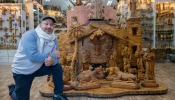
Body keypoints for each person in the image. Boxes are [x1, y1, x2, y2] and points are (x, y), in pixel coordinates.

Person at [7, 16, 68, 100]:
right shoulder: (30, 35)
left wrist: (52, 60)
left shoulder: (53, 39)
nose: (49, 26)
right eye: (46, 23)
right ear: (40, 25)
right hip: (23, 71)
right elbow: (33, 56)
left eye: (51, 24)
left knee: (57, 68)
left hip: (37, 68)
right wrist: (53, 56)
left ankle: (57, 94)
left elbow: (57, 58)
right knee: (21, 98)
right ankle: (12, 89)